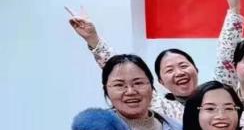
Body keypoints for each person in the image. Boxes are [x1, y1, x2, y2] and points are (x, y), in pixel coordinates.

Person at [68, 12, 199, 121]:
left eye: (183, 65)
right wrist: (93, 38)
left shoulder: (211, 95)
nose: (179, 73)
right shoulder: (162, 106)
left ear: (196, 69)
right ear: (161, 82)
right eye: (169, 70)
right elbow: (119, 68)